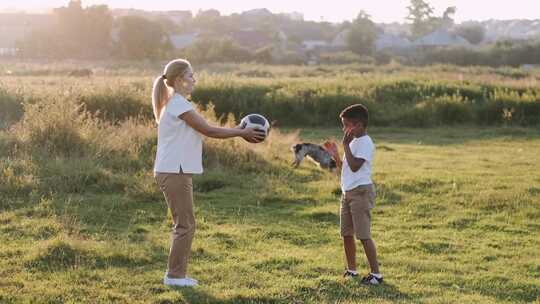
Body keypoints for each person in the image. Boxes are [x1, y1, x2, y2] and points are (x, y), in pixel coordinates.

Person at [152, 59, 265, 287]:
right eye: (191, 75)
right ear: (180, 80)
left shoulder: (177, 103)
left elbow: (206, 129)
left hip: (175, 170)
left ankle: (177, 275)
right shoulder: (178, 105)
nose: (194, 80)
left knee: (185, 223)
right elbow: (208, 130)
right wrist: (240, 131)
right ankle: (174, 277)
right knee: (185, 225)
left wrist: (237, 131)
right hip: (174, 171)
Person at [324, 104, 383, 285]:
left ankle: (376, 275)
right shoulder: (353, 142)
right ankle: (352, 270)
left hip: (361, 192)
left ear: (357, 125)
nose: (343, 129)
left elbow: (357, 166)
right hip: (347, 192)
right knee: (346, 233)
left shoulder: (365, 142)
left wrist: (345, 146)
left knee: (363, 235)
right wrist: (336, 156)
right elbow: (347, 168)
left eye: (346, 125)